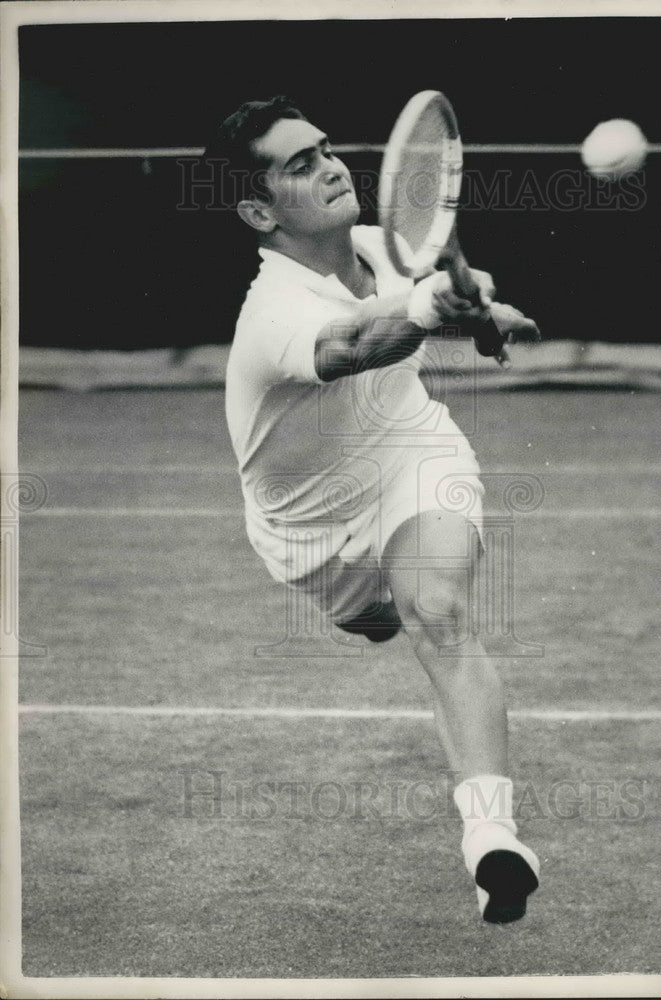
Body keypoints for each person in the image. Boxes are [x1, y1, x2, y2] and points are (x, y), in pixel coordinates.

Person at [204, 97, 541, 923]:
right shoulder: (270, 313)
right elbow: (355, 342)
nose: (328, 167)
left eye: (325, 150)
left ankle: (492, 838)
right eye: (297, 164)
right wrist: (434, 309)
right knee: (377, 622)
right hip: (306, 532)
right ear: (258, 210)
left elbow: (408, 313)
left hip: (412, 456)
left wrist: (477, 316)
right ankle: (374, 612)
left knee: (439, 611)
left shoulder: (375, 249)